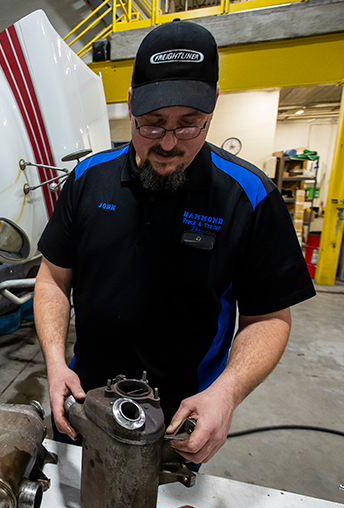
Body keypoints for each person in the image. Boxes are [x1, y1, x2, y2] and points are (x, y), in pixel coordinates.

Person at [35, 20, 315, 465]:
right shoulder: (89, 180)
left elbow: (269, 318)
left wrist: (226, 393)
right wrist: (54, 362)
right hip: (82, 406)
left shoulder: (250, 196)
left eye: (189, 126)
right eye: (151, 125)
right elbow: (52, 277)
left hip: (179, 424)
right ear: (130, 106)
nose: (167, 143)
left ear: (214, 106)